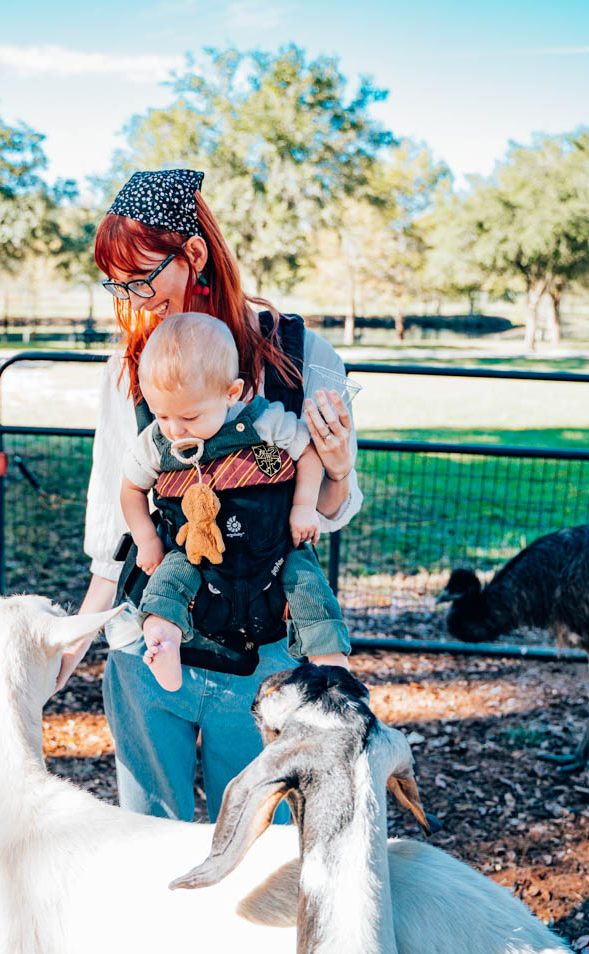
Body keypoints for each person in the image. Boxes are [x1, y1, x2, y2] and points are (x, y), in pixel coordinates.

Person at [58, 167, 362, 822]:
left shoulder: (296, 356)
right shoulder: (128, 365)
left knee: (259, 842)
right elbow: (109, 510)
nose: (132, 300)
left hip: (260, 662)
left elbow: (332, 510)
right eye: (117, 284)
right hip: (148, 647)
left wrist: (335, 468)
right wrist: (78, 638)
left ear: (192, 254)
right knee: (146, 834)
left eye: (142, 278)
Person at [120, 311, 352, 693]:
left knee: (307, 582)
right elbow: (130, 489)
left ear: (230, 394)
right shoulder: (154, 442)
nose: (175, 429)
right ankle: (163, 637)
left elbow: (307, 453)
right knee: (168, 581)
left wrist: (302, 508)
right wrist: (146, 538)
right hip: (197, 551)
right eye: (162, 415)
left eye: (190, 415)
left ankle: (331, 665)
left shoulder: (265, 422)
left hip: (273, 546)